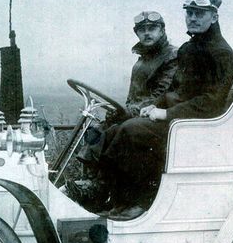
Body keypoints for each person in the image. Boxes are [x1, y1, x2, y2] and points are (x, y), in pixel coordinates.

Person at [99, 0, 233, 219]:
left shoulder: (220, 52)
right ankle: (120, 201)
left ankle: (141, 203)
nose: (192, 18)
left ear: (214, 17)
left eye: (200, 13)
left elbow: (212, 103)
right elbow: (176, 89)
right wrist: (152, 107)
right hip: (181, 120)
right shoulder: (190, 48)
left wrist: (166, 113)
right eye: (190, 13)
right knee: (115, 131)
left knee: (131, 131)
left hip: (198, 127)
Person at [74, 11, 178, 167]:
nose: (147, 33)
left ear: (162, 31)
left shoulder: (171, 56)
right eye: (142, 30)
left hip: (157, 117)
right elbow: (133, 96)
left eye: (152, 28)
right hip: (139, 114)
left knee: (115, 134)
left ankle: (102, 184)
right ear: (137, 34)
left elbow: (161, 94)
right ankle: (93, 181)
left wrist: (130, 112)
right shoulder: (141, 61)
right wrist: (122, 111)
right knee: (96, 131)